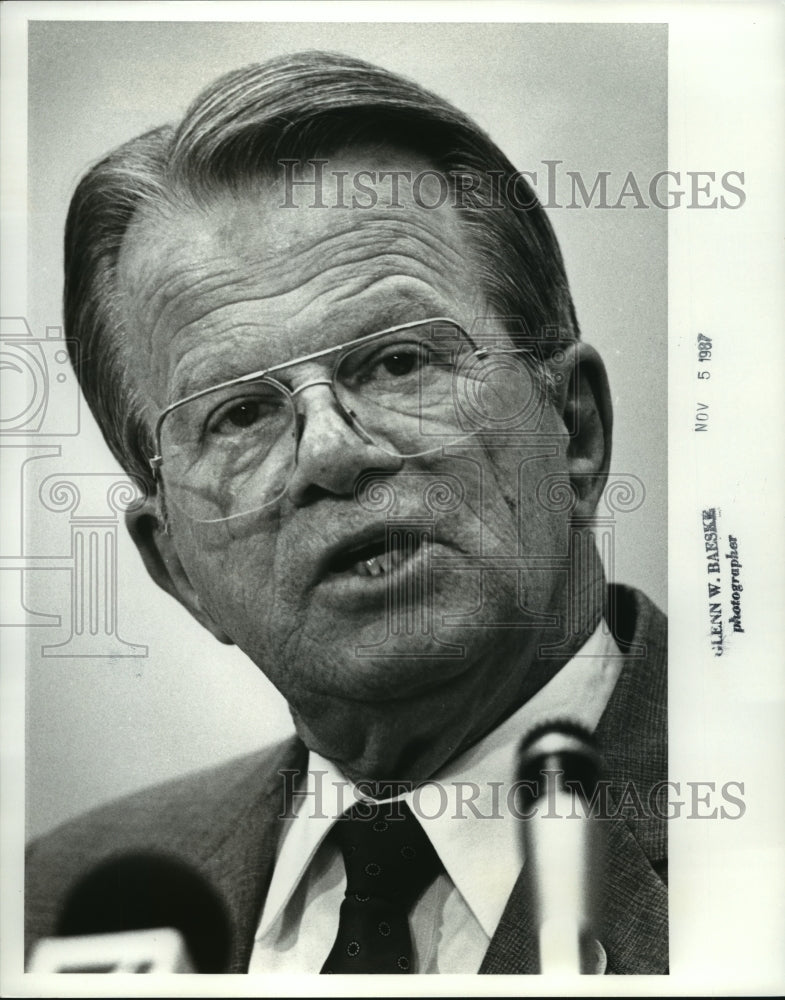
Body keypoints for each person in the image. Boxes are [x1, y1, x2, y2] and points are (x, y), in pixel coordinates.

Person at [25, 50, 667, 975]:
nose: (330, 451)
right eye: (241, 414)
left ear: (574, 432)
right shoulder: (55, 907)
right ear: (175, 570)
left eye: (399, 362)